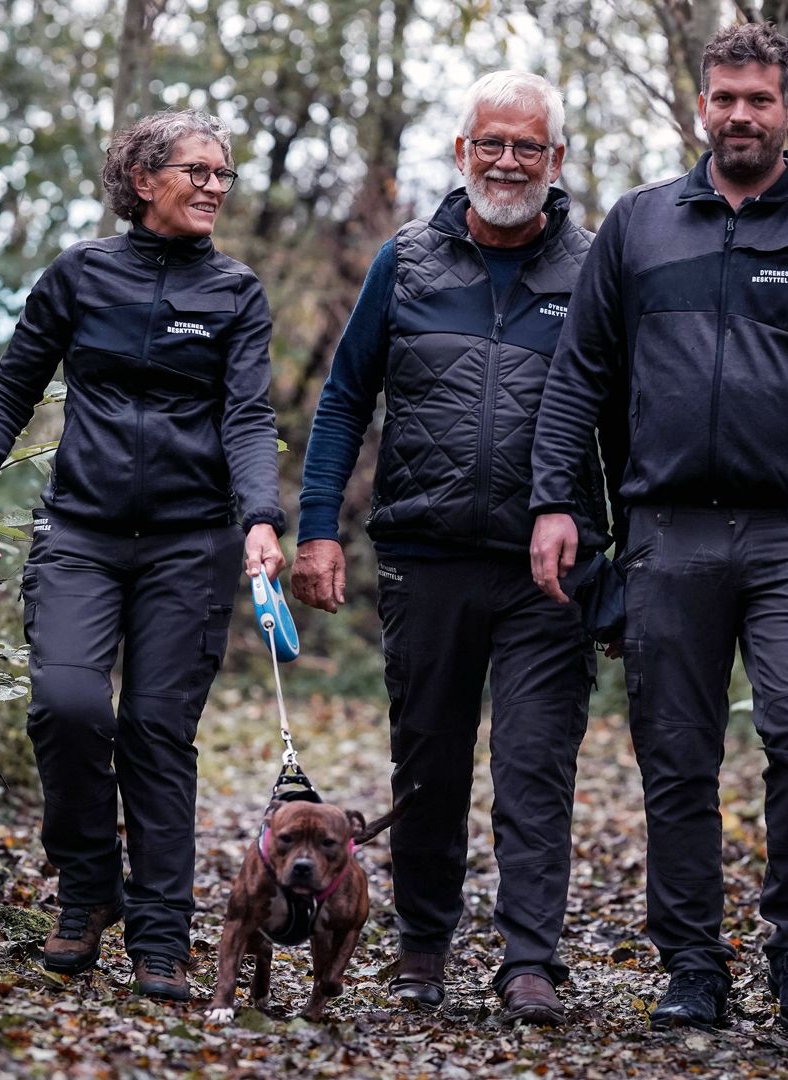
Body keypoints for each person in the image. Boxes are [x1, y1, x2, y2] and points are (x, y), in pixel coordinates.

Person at [528, 24, 788, 1033]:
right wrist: (555, 505)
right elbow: (578, 373)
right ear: (701, 105)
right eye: (724, 98)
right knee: (676, 755)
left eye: (760, 99)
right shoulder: (638, 228)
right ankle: (692, 966)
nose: (740, 115)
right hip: (667, 533)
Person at [291, 71, 611, 1026]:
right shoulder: (407, 262)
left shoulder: (596, 270)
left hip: (548, 570)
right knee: (426, 765)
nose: (507, 162)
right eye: (490, 145)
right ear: (462, 152)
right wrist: (317, 526)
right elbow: (345, 396)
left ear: (557, 162)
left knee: (535, 765)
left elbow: (626, 422)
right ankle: (422, 949)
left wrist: (626, 562)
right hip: (425, 558)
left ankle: (529, 961)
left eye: (528, 147)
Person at [0, 109, 285, 1003]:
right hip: (81, 533)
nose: (215, 185)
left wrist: (260, 516)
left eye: (225, 173)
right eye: (197, 170)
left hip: (191, 541)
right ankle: (89, 887)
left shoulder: (236, 293)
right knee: (67, 706)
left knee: (155, 733)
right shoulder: (80, 276)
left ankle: (161, 935)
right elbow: (12, 384)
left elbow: (249, 415)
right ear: (143, 179)